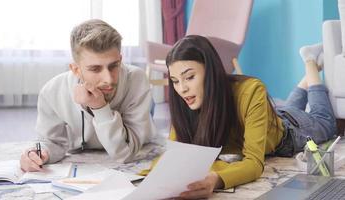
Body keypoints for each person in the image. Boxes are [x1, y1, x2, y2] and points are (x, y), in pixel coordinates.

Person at [153, 35, 336, 199]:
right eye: (175, 81)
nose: (182, 89)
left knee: (325, 122)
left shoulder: (251, 89)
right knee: (286, 109)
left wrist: (215, 179)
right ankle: (307, 75)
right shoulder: (185, 104)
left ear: (210, 71)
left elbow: (254, 163)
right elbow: (173, 157)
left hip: (290, 131)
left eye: (190, 77)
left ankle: (310, 62)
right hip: (268, 119)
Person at [20, 19, 156, 172]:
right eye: (95, 69)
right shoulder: (52, 91)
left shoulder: (136, 79)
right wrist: (38, 153)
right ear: (76, 69)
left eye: (113, 66)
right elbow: (51, 141)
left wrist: (100, 107)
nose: (108, 79)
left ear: (121, 60)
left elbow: (126, 153)